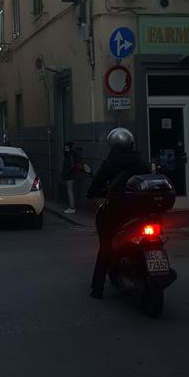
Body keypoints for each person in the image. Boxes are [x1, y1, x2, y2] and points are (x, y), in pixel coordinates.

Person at [86, 127, 145, 299]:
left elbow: (96, 184)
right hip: (140, 212)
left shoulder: (110, 163)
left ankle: (97, 289)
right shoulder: (140, 161)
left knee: (105, 247)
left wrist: (91, 192)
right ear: (131, 143)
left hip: (117, 212)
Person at [62, 141, 79, 214]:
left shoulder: (70, 154)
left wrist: (67, 173)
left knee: (70, 191)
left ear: (67, 147)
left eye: (65, 146)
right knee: (70, 190)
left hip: (70, 175)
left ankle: (72, 207)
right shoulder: (70, 154)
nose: (64, 148)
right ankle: (71, 207)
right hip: (71, 174)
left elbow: (71, 165)